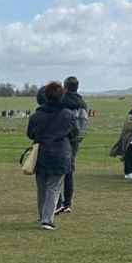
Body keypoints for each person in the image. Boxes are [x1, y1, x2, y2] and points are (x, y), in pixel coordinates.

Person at [27, 82, 78, 231]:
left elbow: (30, 134)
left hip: (41, 152)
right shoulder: (67, 114)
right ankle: (47, 219)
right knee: (54, 187)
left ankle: (42, 215)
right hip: (61, 153)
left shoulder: (37, 115)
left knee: (41, 187)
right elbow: (74, 133)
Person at [55, 76, 88, 214]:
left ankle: (58, 202)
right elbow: (84, 123)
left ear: (65, 87)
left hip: (61, 139)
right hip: (75, 140)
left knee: (56, 171)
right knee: (69, 171)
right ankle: (68, 203)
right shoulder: (82, 103)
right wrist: (78, 138)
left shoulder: (60, 101)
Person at [110, 97, 132, 179]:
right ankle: (128, 172)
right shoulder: (131, 115)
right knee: (129, 155)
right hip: (129, 139)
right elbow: (130, 126)